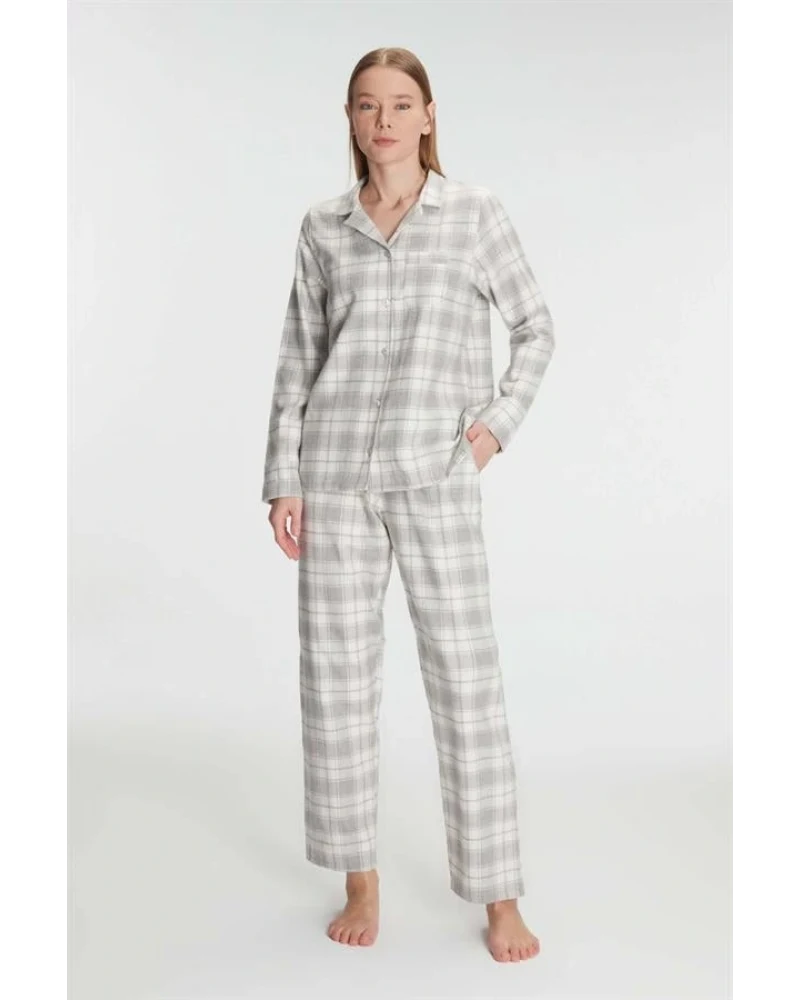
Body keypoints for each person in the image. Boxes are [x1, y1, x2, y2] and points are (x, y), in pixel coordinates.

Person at [261, 47, 555, 963]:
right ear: (350, 119)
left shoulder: (473, 215)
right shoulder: (324, 226)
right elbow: (298, 357)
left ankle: (499, 894)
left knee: (466, 681)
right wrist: (284, 477)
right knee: (336, 681)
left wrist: (492, 430)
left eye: (399, 104)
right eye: (366, 105)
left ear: (428, 116)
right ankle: (360, 878)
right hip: (335, 474)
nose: (382, 120)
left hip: (435, 474)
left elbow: (536, 328)